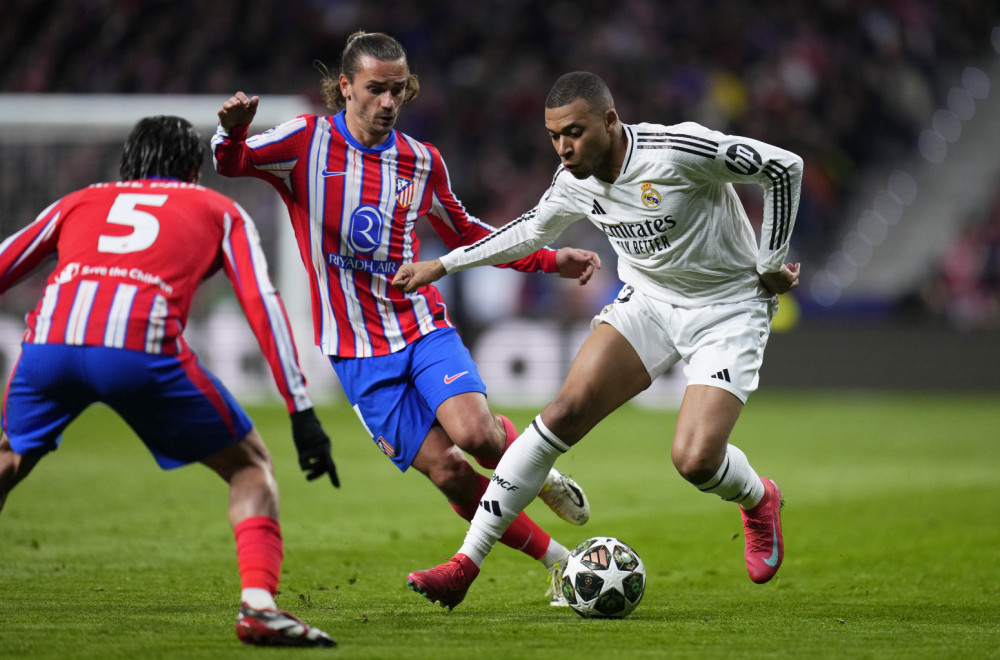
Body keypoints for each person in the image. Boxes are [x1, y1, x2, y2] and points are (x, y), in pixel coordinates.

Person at [212, 31, 601, 605]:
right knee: (448, 472)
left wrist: (547, 259)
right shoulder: (304, 142)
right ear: (346, 87)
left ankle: (536, 472)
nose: (389, 102)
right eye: (376, 89)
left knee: (476, 435)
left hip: (420, 326)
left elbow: (465, 232)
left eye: (398, 90)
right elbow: (232, 162)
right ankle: (561, 563)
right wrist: (233, 131)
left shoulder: (420, 161)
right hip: (355, 351)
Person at [394, 71, 803, 608]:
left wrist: (771, 262)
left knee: (695, 460)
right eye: (554, 136)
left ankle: (758, 498)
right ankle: (464, 565)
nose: (564, 148)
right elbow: (527, 231)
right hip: (650, 303)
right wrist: (442, 265)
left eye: (575, 133)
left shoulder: (677, 151)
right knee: (562, 412)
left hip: (726, 310)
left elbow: (783, 167)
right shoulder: (573, 180)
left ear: (610, 121)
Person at [0, 116, 337, 647]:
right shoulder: (220, 210)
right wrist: (301, 410)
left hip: (49, 346)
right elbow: (262, 304)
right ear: (192, 169)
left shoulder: (79, 200)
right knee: (249, 466)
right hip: (138, 351)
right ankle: (259, 607)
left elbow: (4, 263)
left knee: (9, 459)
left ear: (128, 162)